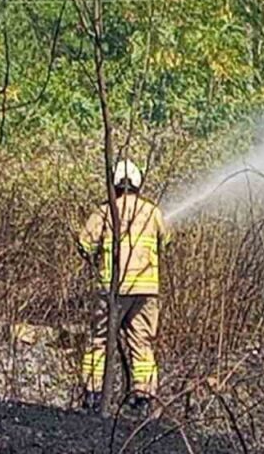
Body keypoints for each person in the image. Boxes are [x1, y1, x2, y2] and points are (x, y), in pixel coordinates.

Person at [77, 159, 169, 416]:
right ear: (139, 183)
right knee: (142, 342)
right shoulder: (153, 212)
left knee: (100, 340)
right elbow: (166, 242)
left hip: (113, 289)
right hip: (147, 291)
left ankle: (94, 395)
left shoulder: (106, 212)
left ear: (115, 184)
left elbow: (84, 244)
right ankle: (144, 398)